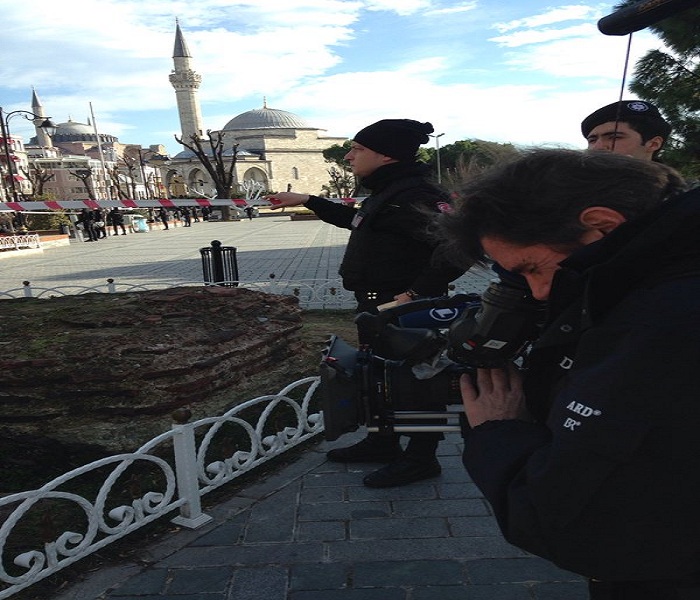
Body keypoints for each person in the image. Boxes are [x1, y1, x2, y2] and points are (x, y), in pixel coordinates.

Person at [436, 148, 700, 599]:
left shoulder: (664, 326)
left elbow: (570, 520)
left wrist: (498, 432)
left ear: (602, 225)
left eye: (533, 269)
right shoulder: (662, 282)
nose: (538, 293)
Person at [265, 118, 465, 488]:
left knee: (420, 383)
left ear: (385, 154)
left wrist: (415, 295)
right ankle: (383, 441)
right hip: (380, 307)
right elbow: (357, 220)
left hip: (406, 310)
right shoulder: (390, 191)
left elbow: (457, 248)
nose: (349, 155)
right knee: (381, 379)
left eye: (357, 149)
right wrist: (308, 200)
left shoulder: (415, 195)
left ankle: (422, 458)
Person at [582, 99, 671, 161]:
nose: (598, 147)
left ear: (653, 144)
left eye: (614, 137)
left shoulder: (673, 188)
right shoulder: (572, 186)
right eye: (592, 140)